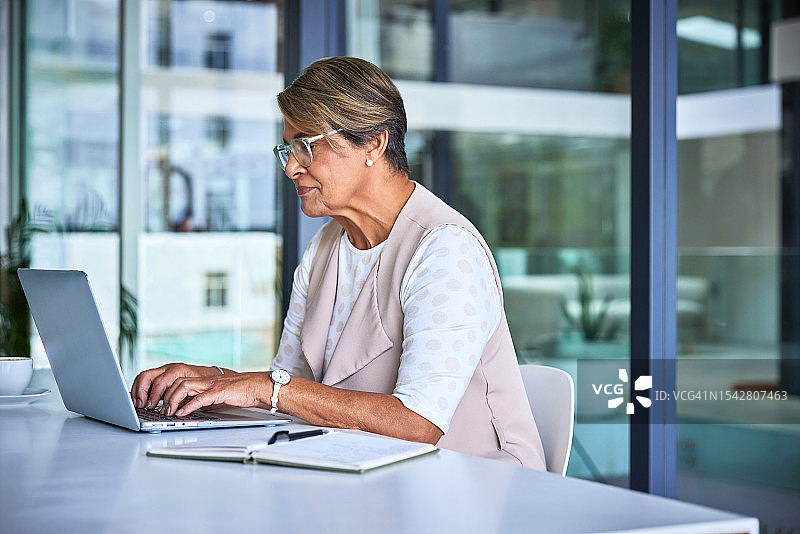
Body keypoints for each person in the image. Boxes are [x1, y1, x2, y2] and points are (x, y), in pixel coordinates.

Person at [130, 56, 546, 470]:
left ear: (374, 144)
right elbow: (289, 388)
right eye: (287, 149)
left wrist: (266, 389)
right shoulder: (327, 246)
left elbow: (419, 423)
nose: (292, 167)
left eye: (306, 146)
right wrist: (214, 382)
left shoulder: (444, 249)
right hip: (370, 475)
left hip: (476, 488)